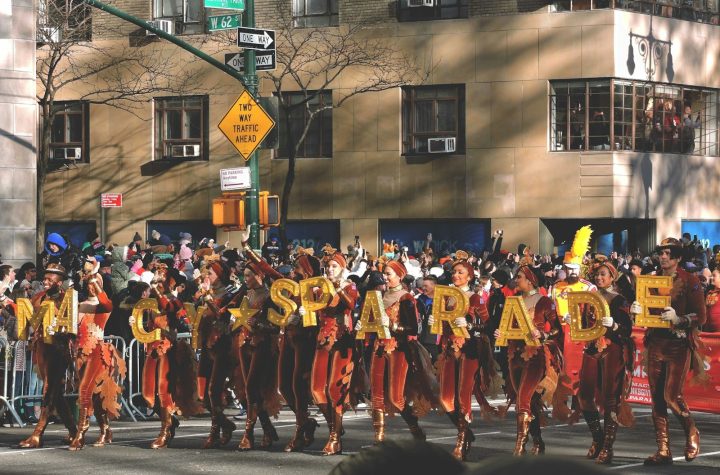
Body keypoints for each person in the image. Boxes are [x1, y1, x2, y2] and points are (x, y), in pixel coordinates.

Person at [630, 237, 705, 465]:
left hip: (678, 344)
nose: (662, 257)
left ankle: (691, 430)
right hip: (655, 343)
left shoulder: (691, 280)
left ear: (677, 257)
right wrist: (637, 310)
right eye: (661, 253)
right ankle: (663, 450)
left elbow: (700, 316)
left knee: (672, 396)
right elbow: (645, 314)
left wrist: (680, 318)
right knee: (657, 400)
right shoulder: (650, 280)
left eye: (667, 253)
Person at [494, 261, 562, 456]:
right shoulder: (514, 300)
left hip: (535, 355)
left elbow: (557, 328)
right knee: (527, 401)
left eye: (520, 277)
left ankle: (519, 447)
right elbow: (505, 324)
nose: (516, 280)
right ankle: (538, 442)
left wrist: (543, 335)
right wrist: (501, 332)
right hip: (514, 355)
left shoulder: (544, 301)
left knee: (523, 399)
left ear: (531, 281)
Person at [430, 251, 491, 461]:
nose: (455, 275)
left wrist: (472, 325)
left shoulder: (475, 298)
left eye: (460, 272)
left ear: (470, 276)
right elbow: (441, 321)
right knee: (446, 399)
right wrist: (434, 322)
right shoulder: (445, 296)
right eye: (454, 272)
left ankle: (461, 440)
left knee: (463, 398)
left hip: (470, 351)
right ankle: (467, 433)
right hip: (448, 350)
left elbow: (488, 326)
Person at [577, 255, 635, 464]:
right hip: (592, 348)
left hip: (613, 350)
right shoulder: (588, 298)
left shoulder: (619, 300)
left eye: (603, 274)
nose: (599, 277)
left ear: (612, 277)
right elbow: (583, 325)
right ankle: (597, 438)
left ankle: (608, 447)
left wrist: (615, 326)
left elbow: (627, 330)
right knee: (584, 394)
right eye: (597, 274)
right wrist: (573, 322)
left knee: (611, 398)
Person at [140, 269, 201, 449]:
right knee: (147, 395)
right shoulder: (151, 303)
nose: (158, 281)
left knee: (163, 391)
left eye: (162, 279)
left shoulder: (174, 300)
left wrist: (157, 289)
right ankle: (170, 421)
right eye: (157, 279)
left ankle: (165, 430)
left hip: (168, 350)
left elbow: (169, 308)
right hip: (152, 350)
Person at [18, 263, 77, 448]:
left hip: (58, 351)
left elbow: (72, 328)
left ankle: (37, 434)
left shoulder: (67, 299)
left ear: (59, 283)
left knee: (49, 389)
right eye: (44, 278)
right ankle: (74, 432)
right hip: (41, 349)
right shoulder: (38, 297)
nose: (45, 282)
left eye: (50, 280)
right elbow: (30, 319)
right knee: (55, 394)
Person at [69, 264, 126, 450]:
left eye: (95, 283)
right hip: (79, 353)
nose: (91, 286)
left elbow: (108, 303)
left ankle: (80, 433)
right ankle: (105, 429)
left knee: (85, 390)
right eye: (89, 283)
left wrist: (94, 277)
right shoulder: (79, 304)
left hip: (97, 353)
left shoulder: (103, 306)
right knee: (94, 396)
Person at [310, 250, 359, 455]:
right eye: (328, 266)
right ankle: (334, 427)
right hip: (322, 339)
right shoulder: (319, 287)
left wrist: (339, 289)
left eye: (334, 266)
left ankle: (335, 438)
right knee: (316, 389)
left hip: (343, 340)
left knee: (334, 390)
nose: (329, 269)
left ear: (342, 268)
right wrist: (305, 309)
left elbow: (352, 304)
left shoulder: (349, 286)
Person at [277, 248, 322, 452]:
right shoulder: (292, 288)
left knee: (298, 388)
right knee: (284, 386)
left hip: (306, 341)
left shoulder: (317, 289)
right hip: (288, 338)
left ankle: (301, 430)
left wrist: (310, 313)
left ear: (306, 269)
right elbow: (271, 273)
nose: (293, 271)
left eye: (296, 267)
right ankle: (306, 423)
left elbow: (327, 313)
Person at [704, 266, 720, 332]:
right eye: (711, 276)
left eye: (714, 276)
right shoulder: (709, 292)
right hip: (708, 330)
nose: (711, 278)